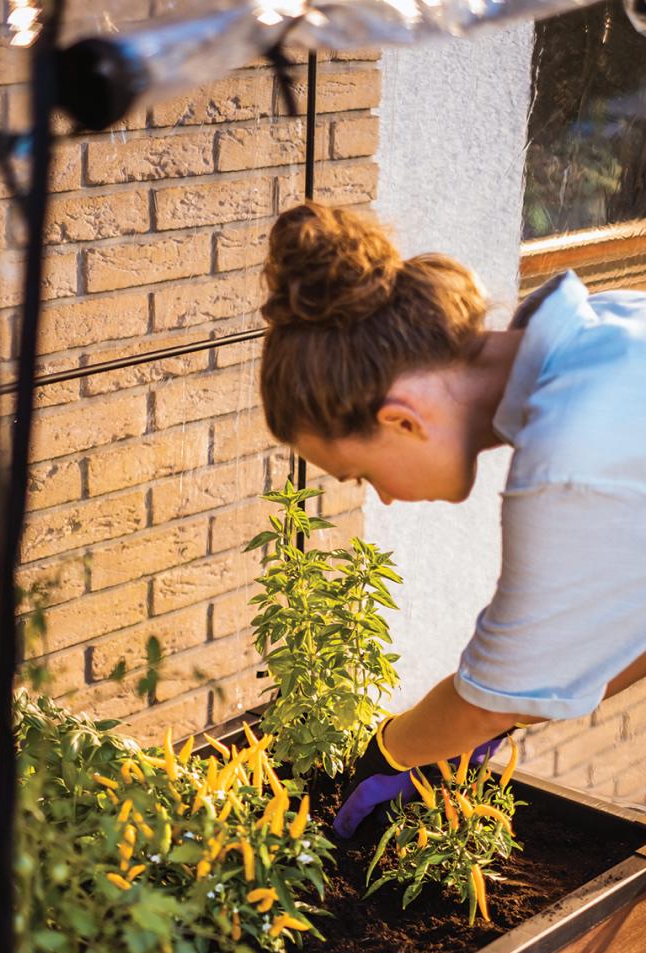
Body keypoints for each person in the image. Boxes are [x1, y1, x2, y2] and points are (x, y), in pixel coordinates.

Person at [258, 201, 646, 837]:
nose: (380, 498)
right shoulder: (608, 331)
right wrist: (505, 710)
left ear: (402, 420)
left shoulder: (570, 456)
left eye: (361, 474)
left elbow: (493, 697)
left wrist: (389, 753)